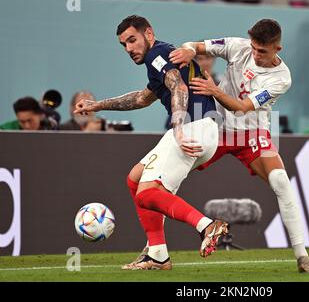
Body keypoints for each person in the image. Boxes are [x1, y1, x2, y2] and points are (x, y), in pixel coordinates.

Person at [168, 19, 309, 274]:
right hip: (215, 127)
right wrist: (188, 50)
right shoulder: (237, 47)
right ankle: (155, 249)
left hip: (252, 132)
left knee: (282, 182)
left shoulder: (281, 78)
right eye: (254, 48)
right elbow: (197, 45)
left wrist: (214, 91)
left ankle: (302, 257)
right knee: (170, 177)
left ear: (278, 49)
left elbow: (241, 108)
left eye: (262, 51)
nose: (256, 55)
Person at [74, 15, 228, 271]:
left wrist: (178, 126)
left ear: (148, 34)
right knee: (135, 179)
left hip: (192, 127)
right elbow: (142, 98)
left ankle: (207, 226)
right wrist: (96, 105)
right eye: (124, 45)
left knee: (148, 192)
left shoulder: (156, 54)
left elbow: (178, 87)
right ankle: (157, 253)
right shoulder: (163, 56)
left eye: (132, 40)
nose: (129, 48)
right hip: (205, 129)